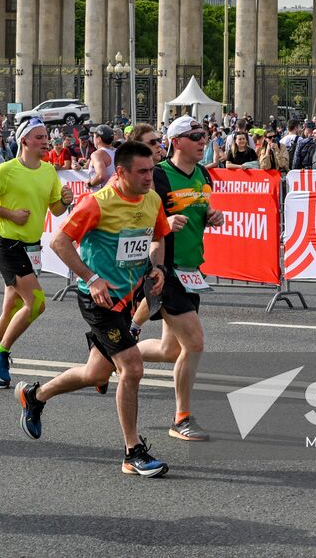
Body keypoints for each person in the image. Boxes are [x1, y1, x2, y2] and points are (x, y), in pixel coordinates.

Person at [15, 140, 172, 478]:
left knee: (96, 374)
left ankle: (35, 395)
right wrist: (92, 277)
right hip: (98, 299)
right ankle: (132, 452)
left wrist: (156, 268)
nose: (149, 177)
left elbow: (158, 236)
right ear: (122, 172)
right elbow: (59, 241)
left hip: (127, 299)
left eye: (152, 170)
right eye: (142, 172)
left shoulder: (152, 199)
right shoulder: (98, 203)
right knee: (132, 368)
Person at [132, 116, 222, 441]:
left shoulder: (202, 173)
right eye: (196, 136)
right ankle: (181, 417)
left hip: (191, 268)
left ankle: (117, 350)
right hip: (164, 269)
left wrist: (212, 217)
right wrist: (165, 223)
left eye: (205, 135)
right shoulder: (158, 175)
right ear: (177, 141)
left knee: (172, 350)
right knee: (195, 343)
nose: (203, 140)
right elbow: (140, 217)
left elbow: (202, 209)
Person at [0, 117, 71, 389]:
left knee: (12, 308)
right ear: (24, 140)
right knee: (36, 303)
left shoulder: (49, 171)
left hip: (31, 248)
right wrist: (10, 214)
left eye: (46, 136)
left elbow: (56, 209)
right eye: (38, 137)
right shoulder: (6, 170)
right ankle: (0, 352)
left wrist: (65, 202)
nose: (45, 141)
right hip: (8, 245)